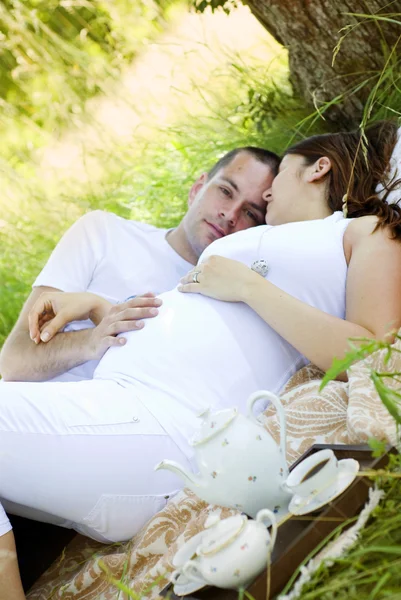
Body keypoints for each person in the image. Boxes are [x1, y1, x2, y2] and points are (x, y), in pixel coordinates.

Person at [1, 121, 401, 600]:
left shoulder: (368, 231)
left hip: (166, 429)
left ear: (319, 168)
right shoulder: (267, 241)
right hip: (116, 405)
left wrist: (250, 286)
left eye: (266, 194)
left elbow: (374, 351)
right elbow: (196, 326)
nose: (265, 199)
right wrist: (94, 306)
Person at [0, 147, 278, 383]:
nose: (229, 215)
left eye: (250, 213)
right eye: (226, 191)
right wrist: (93, 340)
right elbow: (14, 360)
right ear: (197, 189)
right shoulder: (103, 232)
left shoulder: (233, 298)